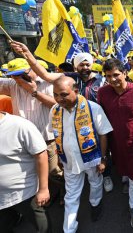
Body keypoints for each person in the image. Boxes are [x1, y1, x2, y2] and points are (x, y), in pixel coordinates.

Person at [9, 42, 114, 193]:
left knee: (102, 154)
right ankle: (83, 181)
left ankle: (106, 175)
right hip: (74, 123)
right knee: (78, 153)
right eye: (81, 65)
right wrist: (27, 53)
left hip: (97, 121)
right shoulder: (68, 78)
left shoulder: (101, 80)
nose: (85, 67)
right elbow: (44, 74)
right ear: (76, 66)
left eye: (87, 64)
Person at [49, 76, 112, 233]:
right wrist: (58, 157)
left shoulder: (93, 108)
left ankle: (96, 204)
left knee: (95, 182)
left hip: (92, 158)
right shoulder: (54, 110)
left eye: (63, 94)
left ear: (76, 91)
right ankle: (69, 229)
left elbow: (103, 134)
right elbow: (56, 135)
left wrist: (103, 159)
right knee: (71, 195)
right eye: (55, 95)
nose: (59, 98)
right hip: (69, 161)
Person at [0, 58, 65, 204]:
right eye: (12, 75)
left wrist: (34, 92)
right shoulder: (12, 84)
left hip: (46, 137)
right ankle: (45, 193)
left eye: (20, 74)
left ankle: (65, 190)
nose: (16, 78)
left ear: (32, 70)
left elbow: (58, 106)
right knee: (33, 170)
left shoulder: (49, 84)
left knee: (54, 170)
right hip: (21, 139)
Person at [98, 59, 133, 228]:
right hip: (114, 144)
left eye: (116, 75)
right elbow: (102, 118)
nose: (112, 79)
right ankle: (126, 181)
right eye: (108, 76)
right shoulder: (103, 93)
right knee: (123, 171)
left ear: (125, 73)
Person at [0, 112, 50, 233]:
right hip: (1, 199)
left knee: (43, 228)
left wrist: (43, 189)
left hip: (26, 192)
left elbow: (41, 155)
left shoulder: (19, 125)